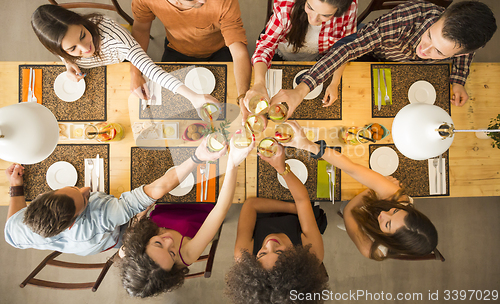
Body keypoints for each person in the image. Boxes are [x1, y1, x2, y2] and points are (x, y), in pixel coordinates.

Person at [4, 138, 225, 256]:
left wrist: (16, 186)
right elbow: (158, 189)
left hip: (82, 244)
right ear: (74, 221)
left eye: (75, 187)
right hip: (115, 237)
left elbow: (13, 221)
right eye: (84, 200)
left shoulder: (20, 227)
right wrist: (197, 157)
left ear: (42, 196)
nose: (87, 188)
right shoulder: (104, 216)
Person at [273, 0, 497, 113]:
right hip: (368, 51)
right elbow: (347, 48)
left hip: (400, 68)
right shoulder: (405, 20)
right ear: (441, 16)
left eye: (439, 52)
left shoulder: (465, 45)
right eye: (429, 36)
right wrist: (301, 90)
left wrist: (458, 80)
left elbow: (467, 53)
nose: (425, 50)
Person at [119, 134, 255, 297]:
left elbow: (142, 207)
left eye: (158, 243)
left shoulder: (129, 249)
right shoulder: (187, 254)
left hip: (168, 196)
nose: (169, 239)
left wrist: (155, 195)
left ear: (141, 243)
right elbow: (220, 209)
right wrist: (233, 162)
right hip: (202, 199)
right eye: (172, 253)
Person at [282, 121, 438, 260]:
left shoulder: (372, 249)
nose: (384, 214)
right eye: (396, 211)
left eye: (388, 224)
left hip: (356, 212)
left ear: (389, 240)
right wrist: (308, 145)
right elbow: (352, 169)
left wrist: (372, 191)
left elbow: (349, 211)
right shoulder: (397, 198)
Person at [131, 0, 252, 116]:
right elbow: (141, 29)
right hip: (176, 49)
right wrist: (135, 72)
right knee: (169, 112)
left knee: (226, 110)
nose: (203, 0)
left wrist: (243, 97)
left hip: (220, 50)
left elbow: (238, 51)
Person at [31, 4, 217, 108]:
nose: (85, 49)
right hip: (99, 73)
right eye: (72, 48)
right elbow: (61, 54)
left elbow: (152, 70)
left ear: (80, 22)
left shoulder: (115, 39)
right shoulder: (63, 50)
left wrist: (193, 96)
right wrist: (68, 63)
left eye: (83, 35)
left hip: (120, 62)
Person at [225, 144, 328, 304]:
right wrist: (282, 168)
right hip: (298, 200)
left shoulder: (243, 256)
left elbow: (251, 205)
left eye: (262, 253)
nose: (269, 244)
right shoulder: (312, 254)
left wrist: (295, 209)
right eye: (279, 253)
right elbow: (302, 199)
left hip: (267, 202)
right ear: (297, 261)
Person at [245, 0, 358, 109]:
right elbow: (266, 46)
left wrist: (335, 82)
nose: (314, 19)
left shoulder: (350, 6)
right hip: (283, 54)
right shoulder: (286, 5)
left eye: (325, 15)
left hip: (321, 60)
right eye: (310, 7)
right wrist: (259, 83)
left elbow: (344, 47)